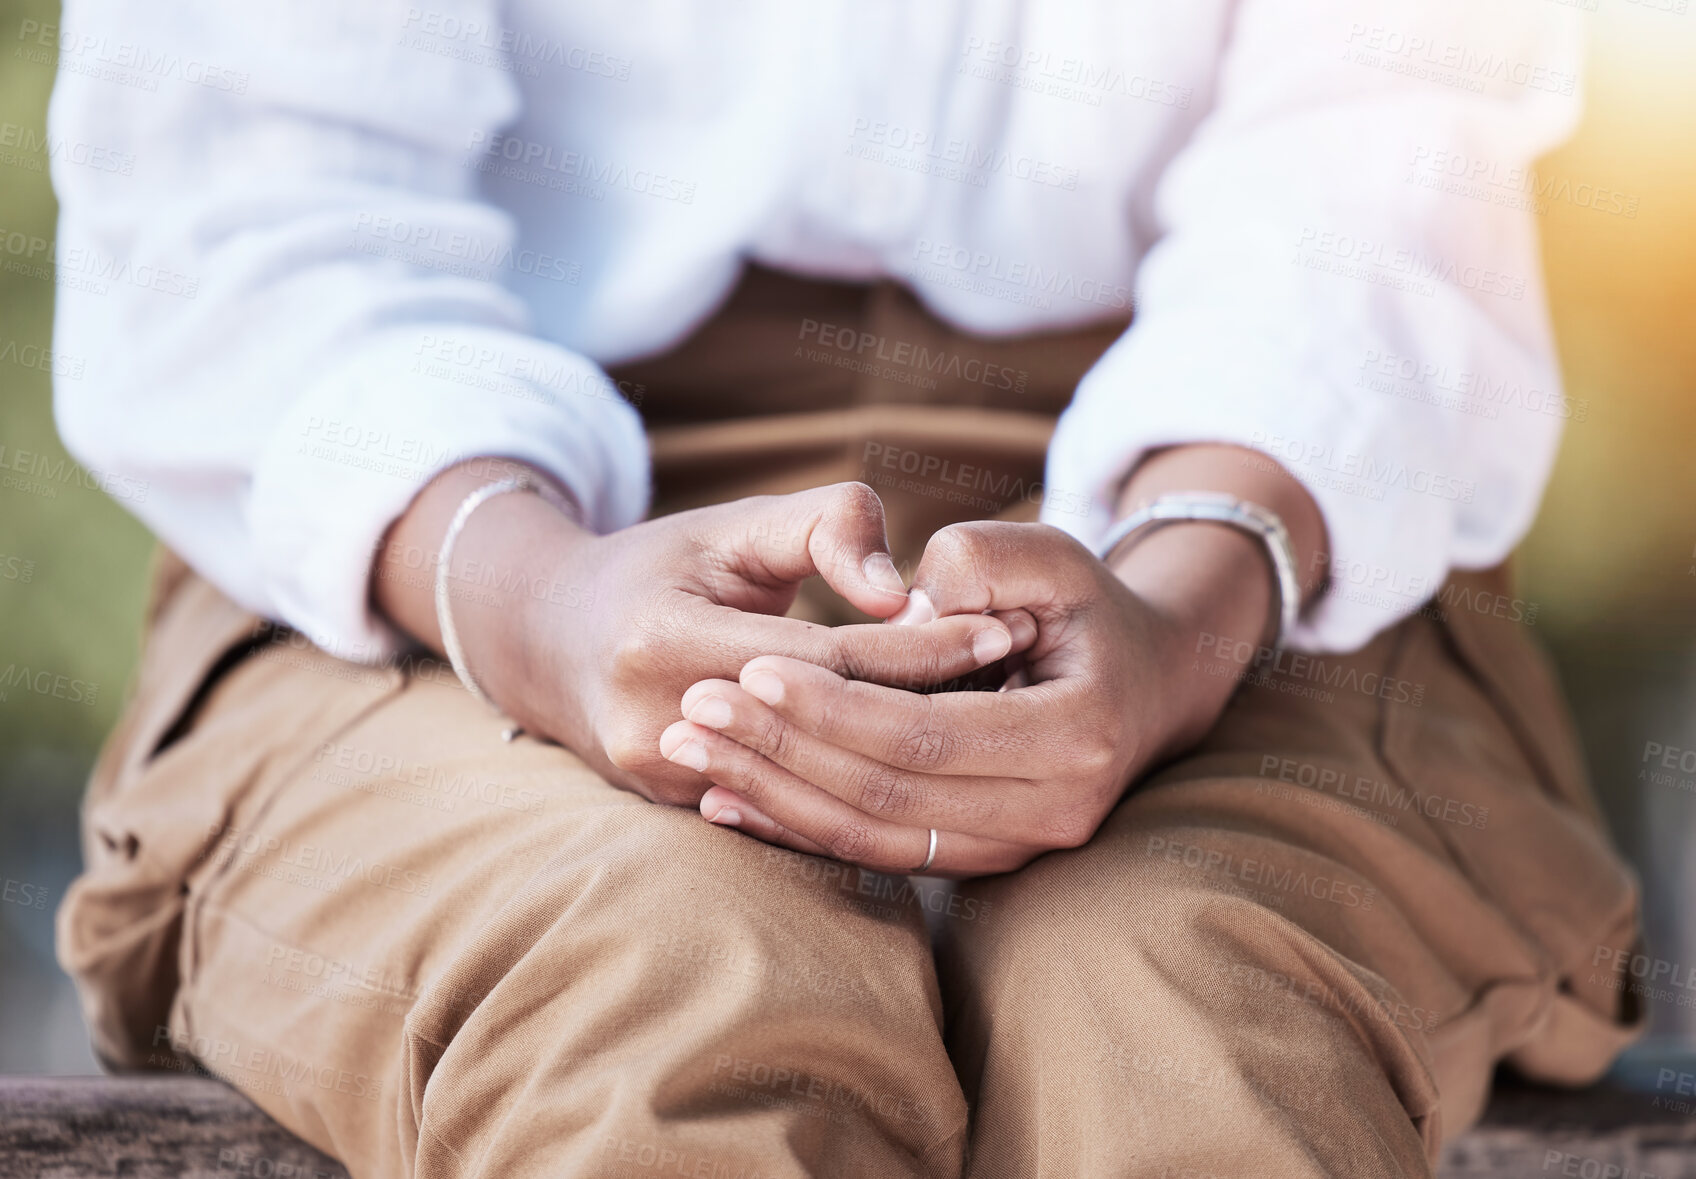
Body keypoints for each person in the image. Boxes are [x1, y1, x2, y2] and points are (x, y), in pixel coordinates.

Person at [48, 1, 1641, 1175]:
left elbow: (1377, 184)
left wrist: (1184, 604)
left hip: (1267, 509)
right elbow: (248, 218)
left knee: (1183, 1007)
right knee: (657, 979)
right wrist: (540, 602)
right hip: (416, 524)